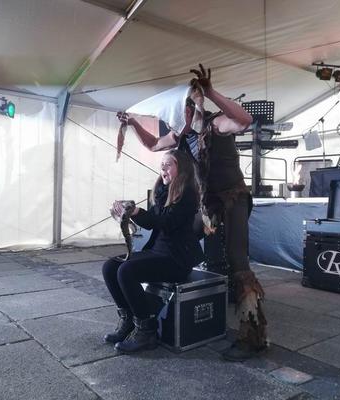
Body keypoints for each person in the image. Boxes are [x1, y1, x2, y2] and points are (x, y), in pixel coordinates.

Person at [116, 64, 268, 361]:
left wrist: (211, 92)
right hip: (207, 204)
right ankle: (165, 278)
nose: (177, 123)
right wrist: (133, 123)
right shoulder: (181, 135)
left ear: (190, 109)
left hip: (233, 197)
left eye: (181, 115)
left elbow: (245, 120)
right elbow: (153, 144)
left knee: (238, 259)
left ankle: (253, 337)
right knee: (182, 231)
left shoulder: (215, 124)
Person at [102, 149, 204, 353]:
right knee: (110, 266)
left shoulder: (188, 195)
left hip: (176, 259)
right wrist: (126, 215)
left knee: (126, 271)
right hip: (158, 252)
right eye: (162, 165)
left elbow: (167, 223)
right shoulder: (162, 192)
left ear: (181, 169)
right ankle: (129, 319)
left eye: (169, 164)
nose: (163, 169)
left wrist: (137, 212)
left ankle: (147, 331)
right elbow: (152, 225)